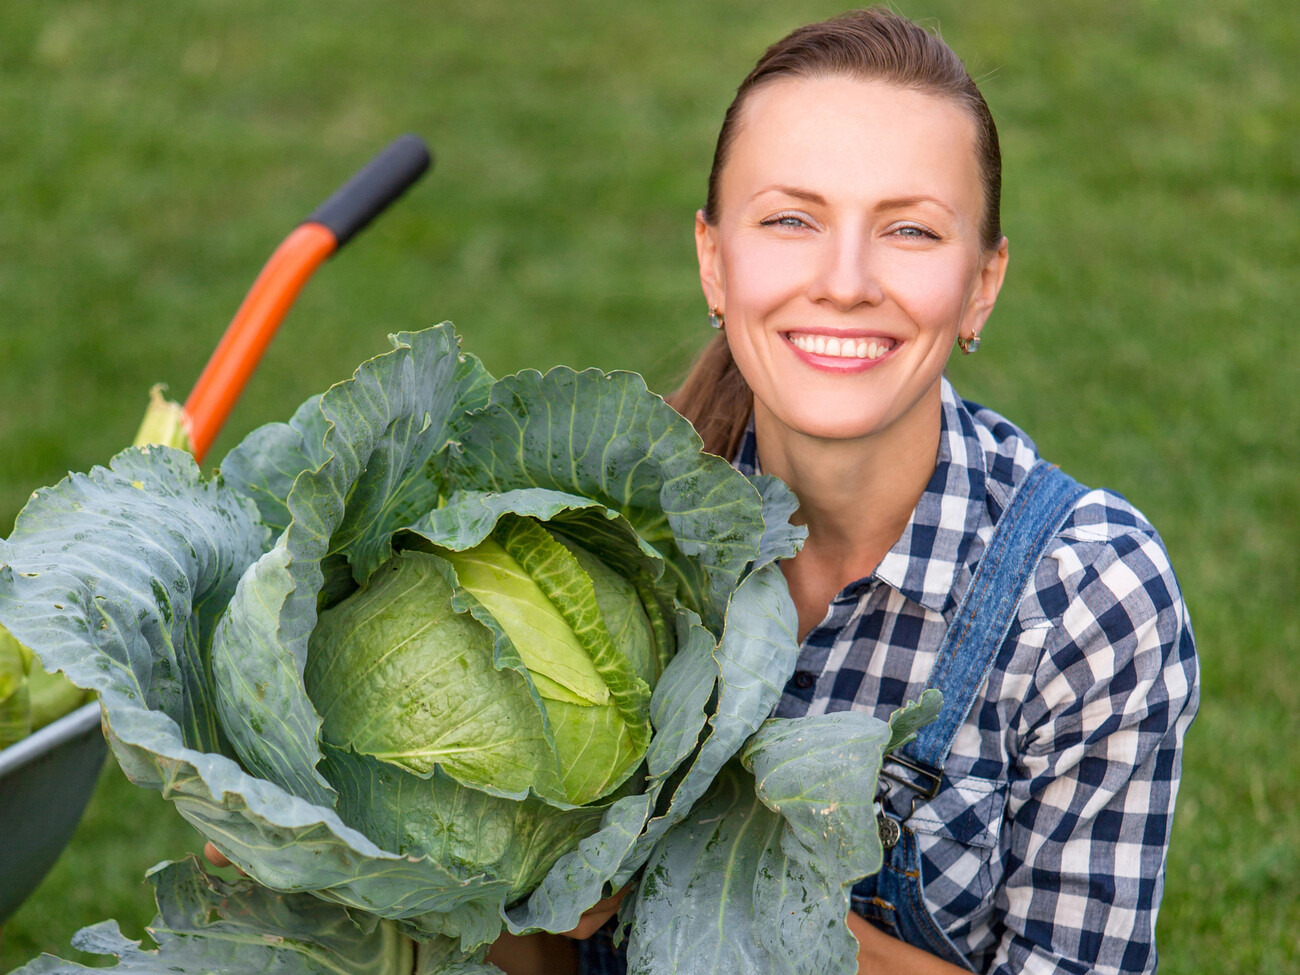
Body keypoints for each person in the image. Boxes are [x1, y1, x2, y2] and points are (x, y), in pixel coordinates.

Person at [490, 8, 1199, 974]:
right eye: (791, 219)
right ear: (713, 259)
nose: (847, 279)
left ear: (982, 284)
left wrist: (713, 879)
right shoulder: (598, 543)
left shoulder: (1086, 601)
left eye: (910, 229)